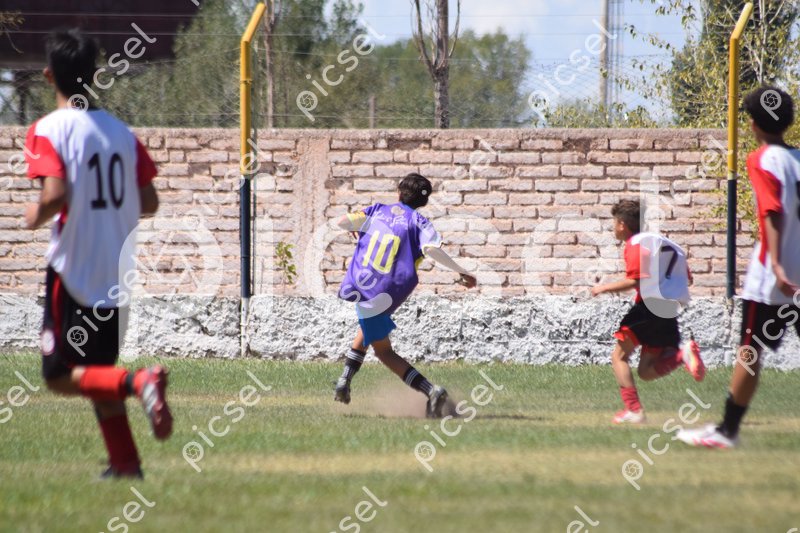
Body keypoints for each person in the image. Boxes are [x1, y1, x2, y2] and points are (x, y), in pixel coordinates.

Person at [23, 29, 172, 478]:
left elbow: (54, 194)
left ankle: (140, 381)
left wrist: (35, 213)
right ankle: (125, 464)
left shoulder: (48, 129)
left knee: (58, 375)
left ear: (49, 75)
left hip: (72, 269)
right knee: (96, 370)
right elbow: (149, 202)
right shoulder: (121, 133)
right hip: (115, 270)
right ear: (93, 75)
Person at [678, 86, 800, 448]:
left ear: (752, 124)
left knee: (749, 351)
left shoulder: (761, 159)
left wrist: (777, 264)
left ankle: (727, 430)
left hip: (772, 281)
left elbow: (771, 212)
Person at [333, 173, 477, 418]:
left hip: (366, 284)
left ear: (399, 192)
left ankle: (432, 391)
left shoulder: (377, 210)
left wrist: (354, 229)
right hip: (391, 289)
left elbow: (343, 221)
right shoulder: (420, 222)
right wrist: (461, 271)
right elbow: (431, 249)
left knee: (383, 351)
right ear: (424, 201)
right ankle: (343, 382)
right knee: (372, 333)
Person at [591, 199, 705, 424]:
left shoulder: (635, 244)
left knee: (619, 357)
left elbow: (635, 280)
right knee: (646, 371)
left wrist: (603, 288)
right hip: (669, 309)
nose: (613, 228)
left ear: (622, 224)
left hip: (650, 307)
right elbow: (688, 278)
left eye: (614, 223)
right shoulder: (665, 243)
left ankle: (634, 411)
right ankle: (682, 356)